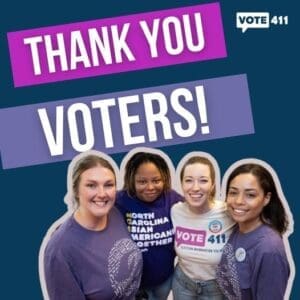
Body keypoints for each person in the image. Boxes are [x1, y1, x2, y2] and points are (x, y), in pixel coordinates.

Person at [41, 152, 143, 300]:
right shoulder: (60, 250)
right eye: (91, 185)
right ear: (76, 190)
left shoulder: (115, 213)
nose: (102, 194)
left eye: (108, 185)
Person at [216, 162, 291, 300]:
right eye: (233, 192)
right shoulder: (237, 228)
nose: (238, 201)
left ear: (266, 198)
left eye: (250, 195)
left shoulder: (269, 249)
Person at [116, 149, 182, 300]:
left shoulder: (172, 199)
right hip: (131, 285)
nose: (150, 187)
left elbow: (198, 210)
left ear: (164, 178)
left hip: (164, 280)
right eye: (142, 182)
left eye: (156, 180)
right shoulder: (120, 201)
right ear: (131, 180)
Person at [171, 154, 235, 300]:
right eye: (188, 181)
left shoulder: (228, 212)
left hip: (216, 288)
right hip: (182, 283)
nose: (195, 187)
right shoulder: (176, 210)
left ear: (212, 184)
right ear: (181, 184)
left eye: (203, 181)